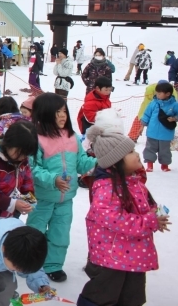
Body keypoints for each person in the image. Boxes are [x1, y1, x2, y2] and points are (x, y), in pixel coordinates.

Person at [77, 125, 169, 306]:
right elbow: (112, 218)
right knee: (104, 294)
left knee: (132, 296)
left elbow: (143, 207)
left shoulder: (134, 181)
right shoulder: (106, 187)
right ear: (116, 161)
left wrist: (154, 216)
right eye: (131, 152)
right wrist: (148, 221)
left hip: (132, 253)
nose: (136, 154)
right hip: (112, 255)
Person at [27, 93, 97, 282]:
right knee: (35, 231)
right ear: (44, 114)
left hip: (66, 198)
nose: (62, 116)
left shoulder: (72, 137)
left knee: (60, 233)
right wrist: (53, 179)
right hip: (42, 197)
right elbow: (33, 168)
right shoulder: (37, 139)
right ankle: (28, 262)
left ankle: (53, 265)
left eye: (64, 111)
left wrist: (98, 163)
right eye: (57, 112)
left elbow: (81, 163)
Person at [140, 81, 178, 172]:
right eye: (157, 92)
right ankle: (150, 165)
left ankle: (164, 165)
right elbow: (146, 114)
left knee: (165, 151)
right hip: (152, 132)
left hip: (166, 133)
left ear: (168, 94)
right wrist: (142, 126)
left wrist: (174, 118)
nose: (157, 95)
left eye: (159, 93)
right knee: (149, 148)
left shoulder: (174, 105)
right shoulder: (153, 103)